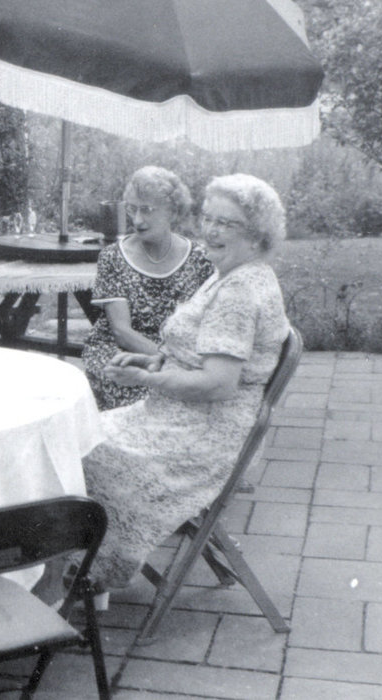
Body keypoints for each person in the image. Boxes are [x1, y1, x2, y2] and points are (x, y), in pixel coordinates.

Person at [80, 174, 290, 604]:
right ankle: (85, 567)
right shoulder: (229, 274)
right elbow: (196, 352)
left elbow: (217, 383)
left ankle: (92, 570)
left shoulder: (238, 292)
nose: (210, 231)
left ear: (255, 236)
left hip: (201, 436)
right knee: (75, 436)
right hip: (178, 417)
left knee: (80, 452)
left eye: (226, 224)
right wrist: (152, 359)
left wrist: (146, 380)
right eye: (209, 219)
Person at [82, 166, 213, 410]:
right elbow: (121, 331)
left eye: (147, 210)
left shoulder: (200, 258)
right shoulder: (113, 257)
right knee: (137, 386)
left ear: (173, 211)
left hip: (178, 350)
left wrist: (182, 361)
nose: (137, 220)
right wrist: (171, 362)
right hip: (119, 350)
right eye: (132, 209)